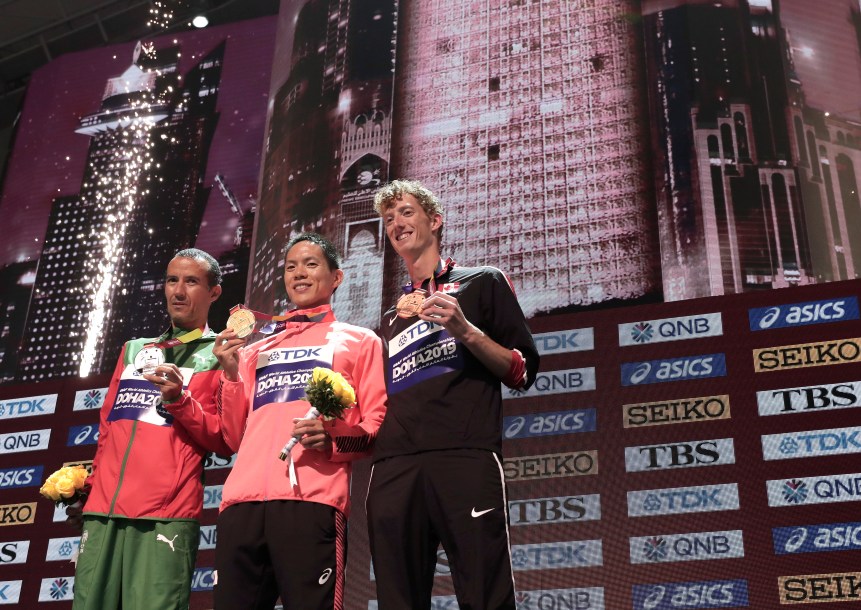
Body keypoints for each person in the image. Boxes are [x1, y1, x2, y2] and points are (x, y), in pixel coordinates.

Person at [367, 180, 540, 609]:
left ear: (435, 220)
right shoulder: (390, 317)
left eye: (406, 212)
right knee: (398, 600)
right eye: (388, 219)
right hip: (394, 468)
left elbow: (522, 370)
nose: (396, 224)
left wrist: (465, 330)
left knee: (484, 594)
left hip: (464, 457)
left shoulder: (483, 282)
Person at [212, 232, 387, 610]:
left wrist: (333, 438)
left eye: (311, 264)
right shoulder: (255, 350)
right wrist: (229, 373)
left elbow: (375, 425)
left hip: (311, 501)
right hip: (241, 503)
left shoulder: (360, 341)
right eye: (291, 267)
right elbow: (230, 434)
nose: (299, 274)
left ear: (336, 278)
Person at [72, 248, 232, 610]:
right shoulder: (134, 350)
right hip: (104, 514)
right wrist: (92, 493)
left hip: (165, 517)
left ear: (214, 292)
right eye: (172, 280)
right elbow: (107, 431)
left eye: (191, 282)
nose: (178, 291)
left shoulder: (221, 356)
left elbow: (224, 439)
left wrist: (180, 401)